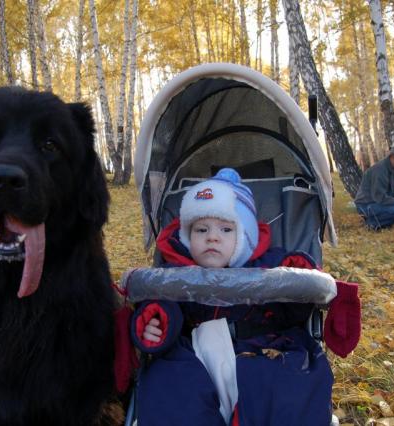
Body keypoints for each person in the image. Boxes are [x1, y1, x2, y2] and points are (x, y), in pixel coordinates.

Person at [129, 168, 361, 426]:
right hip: (195, 350)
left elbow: (297, 302)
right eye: (201, 229)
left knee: (287, 387)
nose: (212, 237)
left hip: (262, 346)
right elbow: (161, 302)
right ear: (187, 236)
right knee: (169, 383)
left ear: (246, 237)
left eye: (226, 230)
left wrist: (301, 283)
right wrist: (158, 323)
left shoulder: (271, 264)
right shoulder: (177, 272)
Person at [354, 145, 394, 230]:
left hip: (382, 200)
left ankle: (384, 221)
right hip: (367, 204)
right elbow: (380, 197)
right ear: (393, 157)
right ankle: (371, 224)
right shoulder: (379, 171)